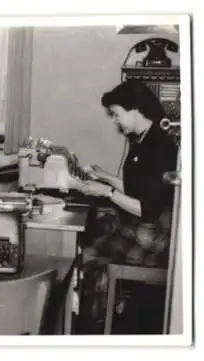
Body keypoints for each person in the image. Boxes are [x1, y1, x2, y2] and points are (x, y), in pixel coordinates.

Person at [78, 79, 178, 266]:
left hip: (150, 235)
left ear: (135, 109)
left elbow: (147, 209)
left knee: (89, 256)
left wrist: (107, 192)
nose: (115, 121)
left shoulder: (158, 145)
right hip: (139, 227)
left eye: (116, 114)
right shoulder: (143, 139)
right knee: (89, 245)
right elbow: (138, 189)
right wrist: (106, 176)